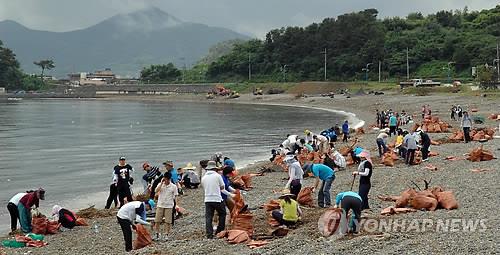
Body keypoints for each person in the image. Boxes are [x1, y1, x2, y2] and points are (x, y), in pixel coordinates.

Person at [201, 161, 228, 239]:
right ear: (214, 168)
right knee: (222, 214)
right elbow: (222, 187)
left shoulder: (204, 177)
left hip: (207, 199)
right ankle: (219, 231)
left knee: (208, 217)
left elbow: (204, 187)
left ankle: (209, 234)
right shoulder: (217, 176)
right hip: (217, 198)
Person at [154, 172, 178, 241]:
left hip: (169, 205)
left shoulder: (173, 186)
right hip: (160, 204)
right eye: (165, 179)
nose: (166, 180)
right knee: (157, 220)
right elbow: (156, 190)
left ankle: (166, 234)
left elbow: (176, 196)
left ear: (170, 179)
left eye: (167, 179)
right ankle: (157, 234)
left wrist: (176, 204)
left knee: (168, 221)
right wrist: (161, 183)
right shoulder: (161, 184)